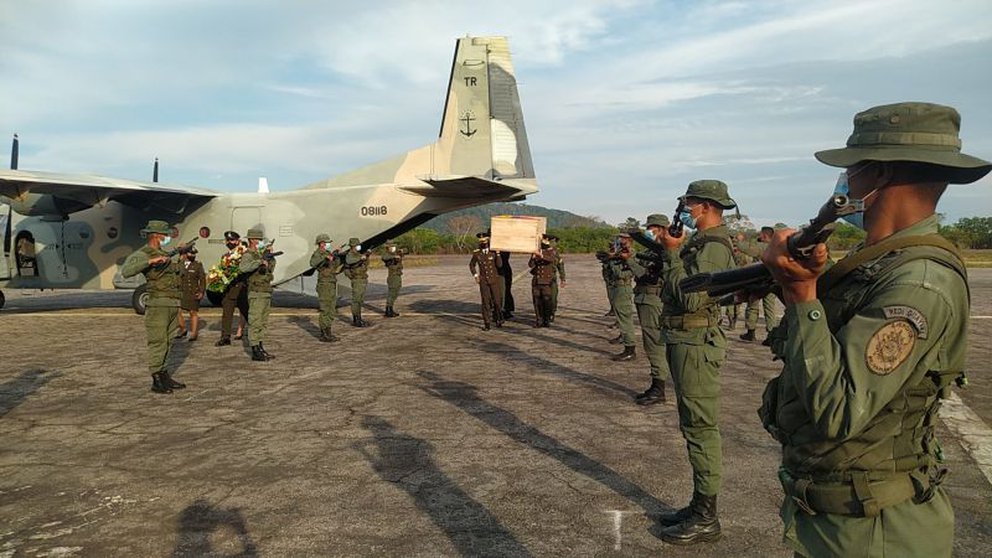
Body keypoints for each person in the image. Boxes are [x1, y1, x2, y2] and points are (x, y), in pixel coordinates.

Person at [759, 102, 988, 558]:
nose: (845, 180)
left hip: (873, 534)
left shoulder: (918, 282)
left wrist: (803, 297)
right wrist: (811, 285)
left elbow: (839, 409)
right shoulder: (880, 265)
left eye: (852, 168)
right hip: (842, 518)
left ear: (877, 174)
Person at [654, 180, 737, 545]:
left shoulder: (714, 246)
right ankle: (699, 504)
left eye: (688, 203)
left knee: (701, 427)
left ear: (703, 206)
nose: (684, 209)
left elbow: (690, 299)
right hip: (685, 341)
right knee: (692, 425)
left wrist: (672, 255)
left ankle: (707, 516)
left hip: (696, 344)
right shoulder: (701, 244)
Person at [120, 220, 187, 394]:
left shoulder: (164, 253)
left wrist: (182, 256)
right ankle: (156, 379)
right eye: (165, 235)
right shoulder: (144, 253)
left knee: (168, 341)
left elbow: (177, 274)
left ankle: (164, 374)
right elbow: (126, 271)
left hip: (172, 303)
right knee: (158, 341)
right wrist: (150, 261)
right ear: (157, 236)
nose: (167, 237)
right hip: (157, 304)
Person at [628, 214, 671, 405]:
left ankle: (659, 387)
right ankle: (657, 384)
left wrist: (628, 260)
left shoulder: (664, 252)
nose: (649, 231)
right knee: (652, 343)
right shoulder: (654, 251)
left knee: (654, 344)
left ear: (661, 229)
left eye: (652, 228)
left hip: (653, 300)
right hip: (647, 299)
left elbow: (647, 277)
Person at [239, 228, 276, 361]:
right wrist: (259, 262)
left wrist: (270, 258)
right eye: (259, 240)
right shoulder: (248, 255)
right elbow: (243, 268)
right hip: (256, 292)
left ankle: (260, 347)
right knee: (255, 321)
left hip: (265, 291)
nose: (261, 242)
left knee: (262, 322)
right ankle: (255, 350)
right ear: (252, 240)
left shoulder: (260, 255)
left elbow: (270, 270)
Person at [741, 226, 780, 344]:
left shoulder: (762, 246)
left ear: (764, 236)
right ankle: (771, 334)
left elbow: (748, 249)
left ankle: (751, 332)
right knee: (769, 308)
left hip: (759, 281)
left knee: (752, 305)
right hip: (772, 281)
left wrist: (738, 241)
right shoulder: (777, 247)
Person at [216, 231, 250, 346]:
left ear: (238, 241)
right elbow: (222, 270)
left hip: (242, 288)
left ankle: (255, 335)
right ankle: (225, 337)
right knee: (226, 314)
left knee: (247, 313)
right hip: (229, 289)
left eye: (232, 240)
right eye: (228, 240)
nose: (230, 242)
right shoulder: (225, 256)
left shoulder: (244, 254)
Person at [606, 233, 637, 361]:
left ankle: (630, 349)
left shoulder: (631, 254)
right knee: (621, 318)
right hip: (617, 287)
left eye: (623, 238)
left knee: (625, 320)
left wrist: (612, 260)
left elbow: (621, 273)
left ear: (629, 240)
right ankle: (625, 341)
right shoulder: (620, 252)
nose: (620, 240)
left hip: (623, 287)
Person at [310, 233, 343, 342]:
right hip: (324, 284)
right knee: (325, 308)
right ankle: (324, 333)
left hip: (331, 283)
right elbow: (313, 263)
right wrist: (326, 259)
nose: (329, 244)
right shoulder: (317, 254)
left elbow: (335, 266)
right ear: (322, 243)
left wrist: (337, 256)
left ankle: (328, 330)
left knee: (331, 308)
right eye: (327, 243)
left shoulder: (328, 253)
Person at [469, 232, 503, 330]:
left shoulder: (493, 252)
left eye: (484, 240)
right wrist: (475, 275)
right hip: (483, 281)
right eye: (481, 241)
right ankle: (487, 322)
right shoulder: (477, 253)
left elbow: (499, 265)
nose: (483, 242)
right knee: (485, 302)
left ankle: (498, 319)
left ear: (488, 241)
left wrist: (498, 254)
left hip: (494, 280)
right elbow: (471, 265)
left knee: (497, 301)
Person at [176, 247, 206, 342]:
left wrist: (201, 291)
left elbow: (202, 279)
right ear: (185, 254)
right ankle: (182, 328)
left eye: (194, 254)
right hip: (181, 291)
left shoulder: (197, 265)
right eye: (190, 254)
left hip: (193, 292)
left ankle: (194, 333)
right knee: (177, 311)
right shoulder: (179, 265)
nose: (193, 256)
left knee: (193, 312)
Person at [527, 235, 557, 327]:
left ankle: (546, 320)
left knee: (547, 301)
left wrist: (541, 255)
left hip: (546, 281)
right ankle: (539, 320)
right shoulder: (537, 251)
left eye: (546, 241)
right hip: (537, 280)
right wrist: (533, 257)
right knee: (537, 302)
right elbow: (530, 265)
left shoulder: (551, 251)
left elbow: (550, 259)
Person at [343, 238, 371, 327]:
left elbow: (365, 265)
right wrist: (361, 258)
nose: (359, 246)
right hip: (357, 280)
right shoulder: (350, 255)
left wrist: (367, 256)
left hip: (362, 279)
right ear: (353, 246)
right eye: (357, 245)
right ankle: (356, 319)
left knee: (360, 300)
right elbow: (349, 261)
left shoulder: (358, 254)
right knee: (356, 300)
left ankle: (359, 318)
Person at [381, 242, 404, 318]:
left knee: (395, 292)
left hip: (397, 276)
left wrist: (400, 253)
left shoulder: (395, 254)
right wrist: (394, 257)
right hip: (393, 277)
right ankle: (388, 309)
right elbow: (384, 257)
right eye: (392, 247)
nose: (394, 248)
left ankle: (390, 308)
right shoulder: (388, 255)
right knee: (392, 293)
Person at [548, 234, 566, 322]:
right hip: (542, 278)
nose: (552, 244)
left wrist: (563, 278)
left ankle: (552, 313)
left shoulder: (556, 253)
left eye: (554, 242)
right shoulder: (541, 251)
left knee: (553, 298)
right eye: (551, 242)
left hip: (552, 278)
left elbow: (560, 266)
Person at [498, 250, 515, 319]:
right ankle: (500, 309)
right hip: (498, 269)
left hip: (504, 270)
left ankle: (506, 309)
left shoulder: (504, 248)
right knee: (500, 291)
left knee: (506, 290)